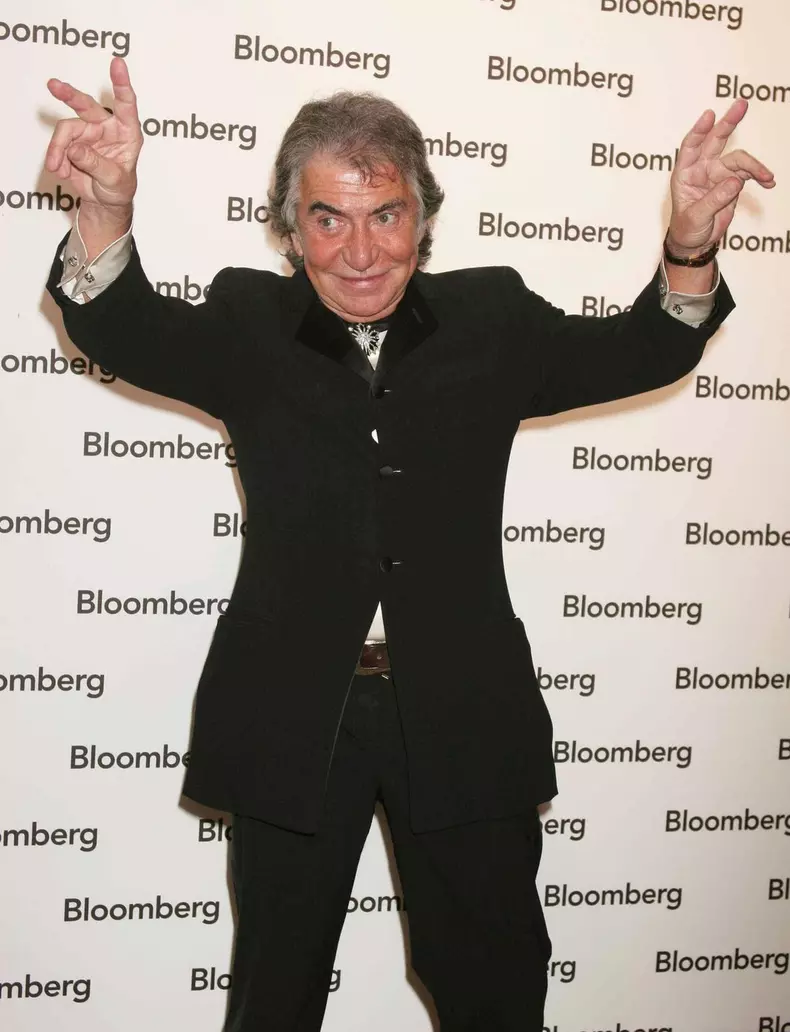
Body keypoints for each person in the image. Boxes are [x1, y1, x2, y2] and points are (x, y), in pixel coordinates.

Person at [44, 56, 774, 1032]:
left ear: (422, 217)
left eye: (383, 214)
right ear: (289, 226)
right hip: (294, 718)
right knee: (274, 998)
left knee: (495, 992)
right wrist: (108, 210)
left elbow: (645, 348)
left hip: (466, 712)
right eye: (326, 218)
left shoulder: (493, 319)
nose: (357, 252)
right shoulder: (247, 323)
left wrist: (687, 243)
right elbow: (124, 329)